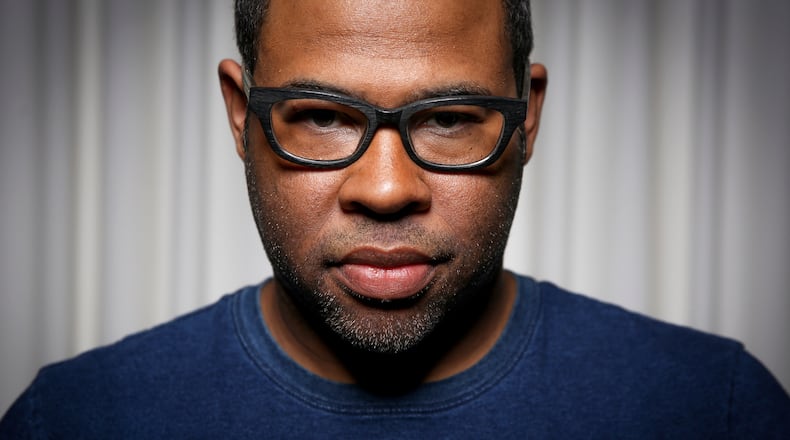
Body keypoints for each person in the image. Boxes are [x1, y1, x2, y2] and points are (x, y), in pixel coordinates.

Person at [1, 0, 788, 437]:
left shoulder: (712, 411)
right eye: (321, 117)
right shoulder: (74, 421)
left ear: (528, 121)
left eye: (449, 117)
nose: (385, 189)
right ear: (242, 116)